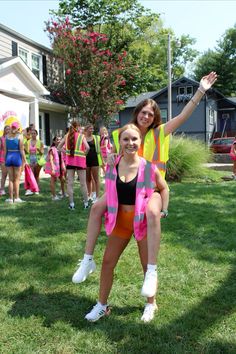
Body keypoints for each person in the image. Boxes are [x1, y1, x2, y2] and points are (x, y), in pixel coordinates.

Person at [72, 71, 217, 297]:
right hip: (128, 189)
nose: (146, 116)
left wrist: (200, 91)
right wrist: (110, 157)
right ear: (136, 113)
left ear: (154, 117)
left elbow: (184, 116)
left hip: (153, 190)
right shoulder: (124, 134)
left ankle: (151, 282)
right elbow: (115, 159)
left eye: (151, 114)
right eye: (143, 112)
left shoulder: (160, 132)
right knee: (96, 207)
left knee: (151, 211)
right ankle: (87, 259)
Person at [84, 124, 169, 322]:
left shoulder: (149, 167)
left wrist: (163, 209)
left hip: (142, 222)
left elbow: (164, 188)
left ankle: (151, 304)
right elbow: (110, 193)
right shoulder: (113, 164)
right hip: (120, 222)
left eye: (134, 139)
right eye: (126, 139)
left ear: (140, 142)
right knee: (107, 262)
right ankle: (102, 305)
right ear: (120, 142)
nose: (130, 143)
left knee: (147, 265)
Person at [58, 120, 90, 210]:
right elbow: (87, 148)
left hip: (70, 163)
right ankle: (86, 204)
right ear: (78, 127)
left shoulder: (66, 136)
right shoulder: (81, 136)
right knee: (83, 184)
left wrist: (67, 152)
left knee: (70, 183)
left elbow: (59, 147)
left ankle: (71, 204)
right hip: (80, 162)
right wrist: (84, 154)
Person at [4, 121, 27, 203]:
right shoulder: (20, 136)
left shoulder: (6, 136)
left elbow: (5, 150)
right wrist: (25, 160)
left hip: (9, 157)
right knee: (16, 179)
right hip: (16, 156)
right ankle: (17, 198)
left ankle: (10, 199)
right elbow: (21, 150)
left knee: (10, 179)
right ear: (17, 128)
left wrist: (4, 160)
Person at [84, 124, 103, 203]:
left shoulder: (96, 138)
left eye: (92, 129)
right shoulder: (83, 138)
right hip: (85, 160)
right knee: (88, 179)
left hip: (95, 160)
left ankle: (97, 197)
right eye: (90, 128)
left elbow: (100, 150)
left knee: (96, 179)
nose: (92, 130)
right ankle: (89, 195)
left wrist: (103, 161)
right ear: (86, 129)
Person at [44, 136, 66, 200]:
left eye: (60, 139)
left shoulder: (61, 148)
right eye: (57, 140)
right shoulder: (52, 149)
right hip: (54, 167)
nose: (59, 141)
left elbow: (62, 158)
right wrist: (53, 169)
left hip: (60, 166)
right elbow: (51, 160)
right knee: (53, 180)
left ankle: (63, 193)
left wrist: (63, 165)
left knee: (63, 179)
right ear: (54, 141)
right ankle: (54, 196)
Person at [24, 129, 44, 195]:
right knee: (31, 174)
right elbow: (25, 152)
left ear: (36, 134)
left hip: (37, 160)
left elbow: (42, 153)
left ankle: (36, 189)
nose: (33, 135)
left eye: (34, 133)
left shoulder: (40, 142)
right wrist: (25, 150)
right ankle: (30, 189)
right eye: (32, 133)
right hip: (30, 159)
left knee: (36, 175)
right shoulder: (27, 142)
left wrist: (38, 150)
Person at [0, 125, 10, 196]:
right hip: (3, 158)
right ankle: (2, 189)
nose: (8, 131)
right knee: (4, 174)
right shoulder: (1, 138)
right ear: (4, 130)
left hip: (11, 158)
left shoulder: (12, 138)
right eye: (7, 129)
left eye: (9, 129)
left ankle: (11, 189)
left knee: (11, 175)